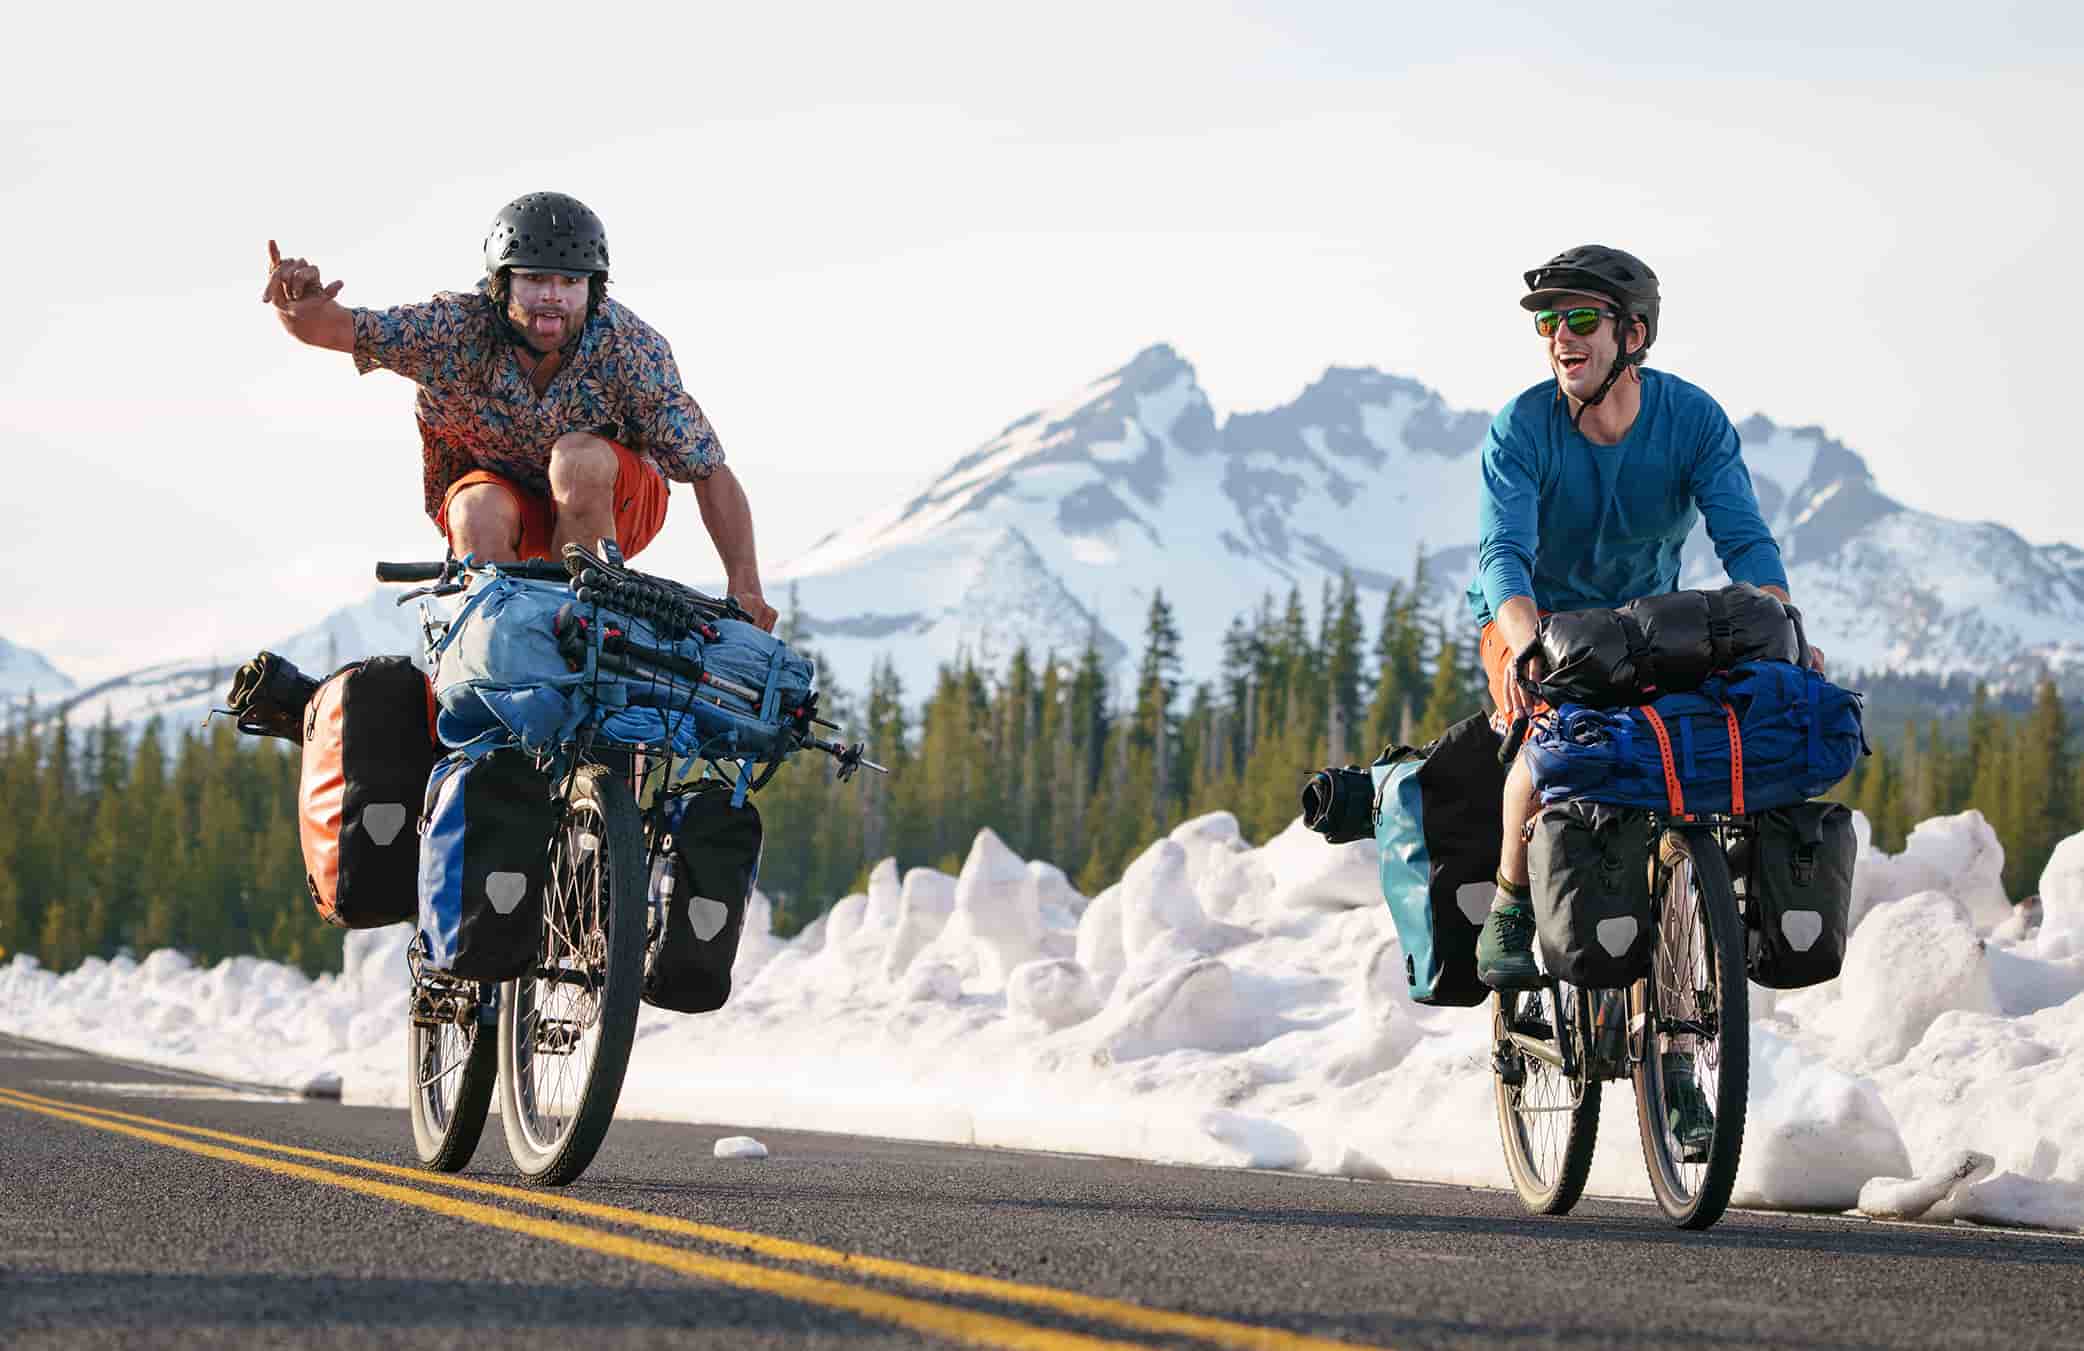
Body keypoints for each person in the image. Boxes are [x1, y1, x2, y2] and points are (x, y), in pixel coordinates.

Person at [1464, 244, 1823, 1155]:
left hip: (1642, 628)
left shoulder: (1690, 419)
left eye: (1579, 320)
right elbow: (1501, 552)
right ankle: (1512, 906)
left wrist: (1786, 625)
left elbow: (1743, 535)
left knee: (1678, 786)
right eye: (1548, 324)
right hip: (1534, 626)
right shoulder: (1523, 427)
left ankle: (1669, 1044)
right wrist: (1519, 639)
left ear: (1635, 333)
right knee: (1547, 755)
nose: (1560, 339)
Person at [261, 191, 777, 630]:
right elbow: (329, 327)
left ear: (594, 289)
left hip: (614, 505)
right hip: (505, 513)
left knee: (575, 459)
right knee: (475, 508)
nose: (553, 298)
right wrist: (296, 304)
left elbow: (708, 471)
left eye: (571, 283)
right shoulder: (450, 330)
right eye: (534, 280)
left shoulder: (630, 347)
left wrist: (745, 585)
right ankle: (504, 642)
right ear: (501, 283)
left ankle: (587, 627)